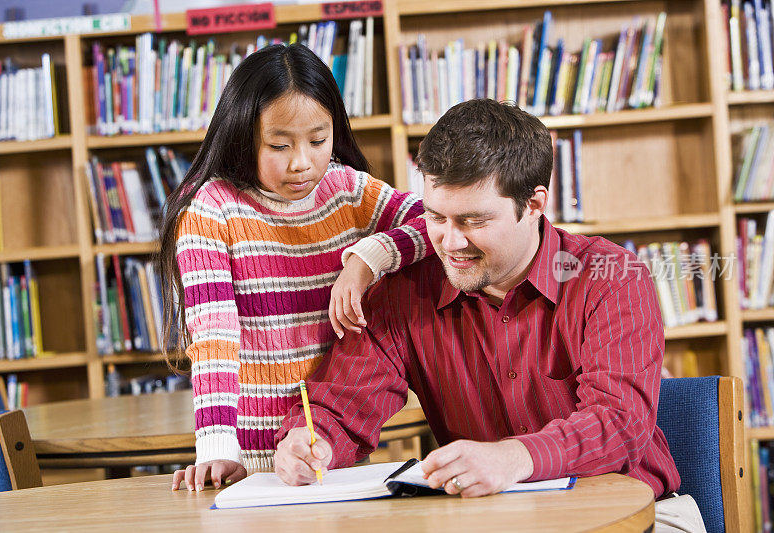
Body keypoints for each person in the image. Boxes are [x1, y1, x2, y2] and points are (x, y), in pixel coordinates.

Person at [274, 99, 705, 532]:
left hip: (638, 514)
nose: (450, 242)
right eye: (435, 217)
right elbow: (341, 407)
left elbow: (619, 422)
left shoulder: (612, 279)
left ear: (534, 204)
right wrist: (313, 444)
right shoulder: (403, 294)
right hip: (494, 520)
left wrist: (514, 457)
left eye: (474, 221)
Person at [159, 43, 432, 492]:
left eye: (318, 140)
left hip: (333, 448)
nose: (302, 162)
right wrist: (217, 449)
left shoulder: (347, 189)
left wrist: (370, 256)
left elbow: (437, 224)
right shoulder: (213, 209)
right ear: (243, 134)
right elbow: (214, 337)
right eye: (279, 145)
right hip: (252, 461)